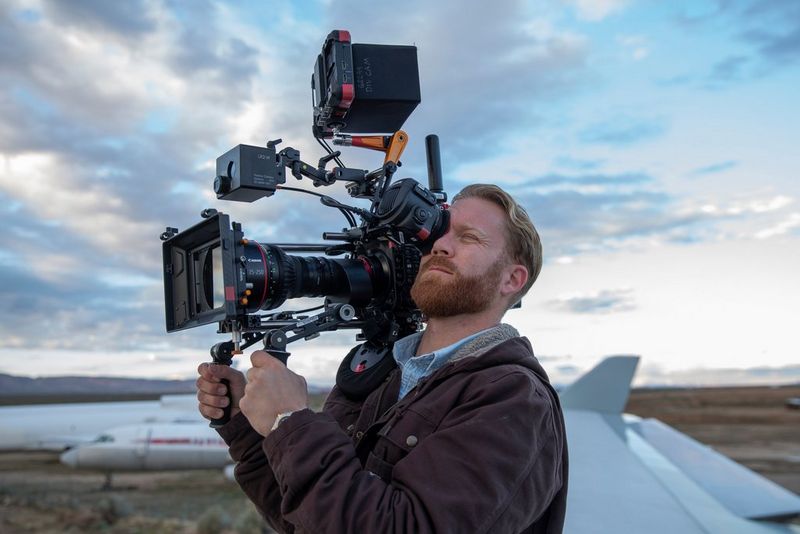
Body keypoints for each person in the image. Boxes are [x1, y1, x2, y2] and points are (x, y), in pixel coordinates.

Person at [197, 184, 568, 533]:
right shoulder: (380, 372)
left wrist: (288, 422)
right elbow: (306, 517)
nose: (440, 246)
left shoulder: (514, 399)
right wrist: (245, 426)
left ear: (511, 280)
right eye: (440, 233)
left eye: (469, 237)